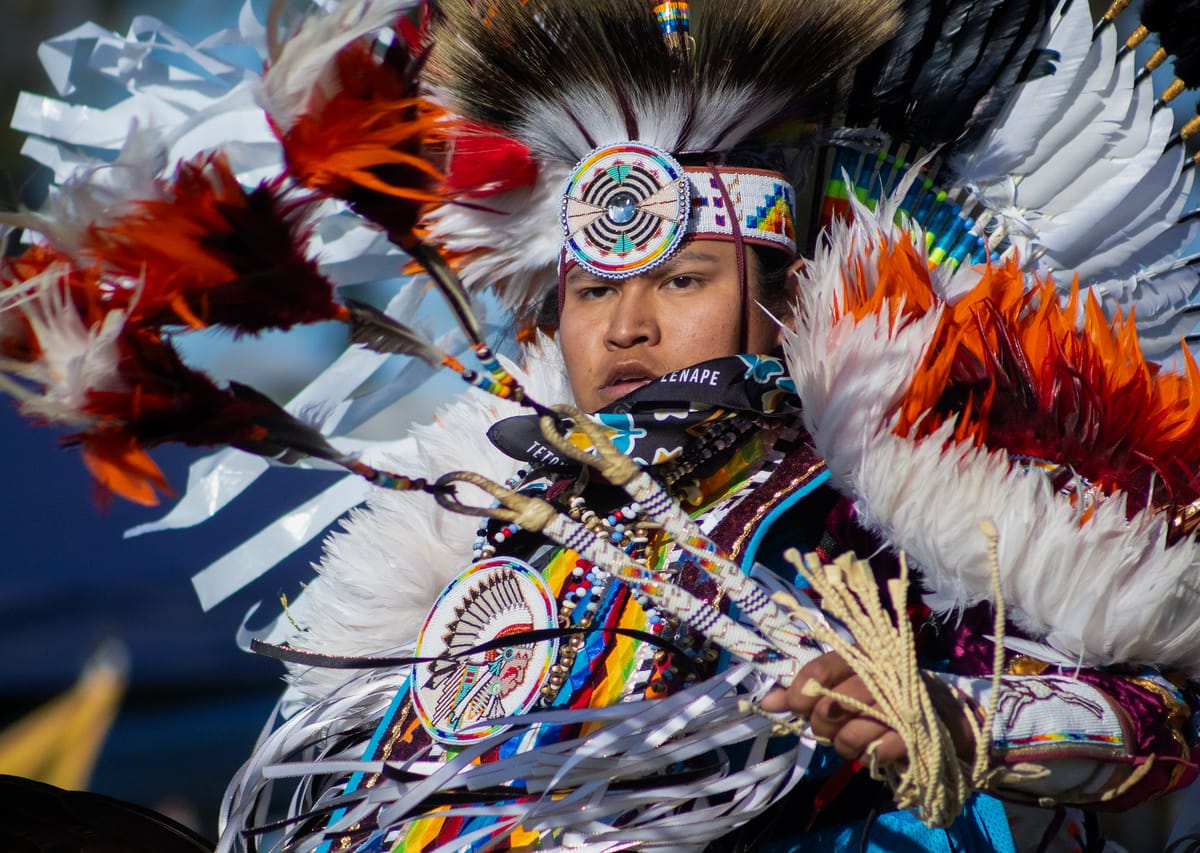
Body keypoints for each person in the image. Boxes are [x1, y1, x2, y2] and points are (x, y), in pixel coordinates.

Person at [5, 0, 1200, 851]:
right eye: (592, 293)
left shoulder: (875, 523)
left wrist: (951, 722)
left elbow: (1159, 720)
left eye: (680, 282)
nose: (626, 330)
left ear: (779, 296)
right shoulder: (479, 539)